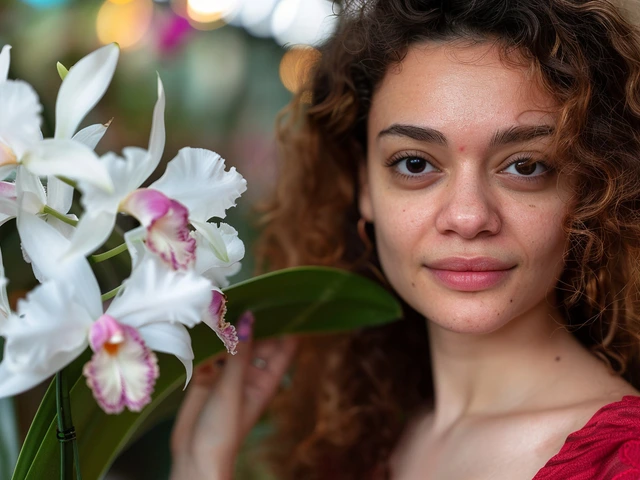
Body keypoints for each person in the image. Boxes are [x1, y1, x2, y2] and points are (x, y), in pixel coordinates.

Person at [169, 0, 640, 478]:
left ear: (589, 187)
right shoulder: (359, 447)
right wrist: (202, 467)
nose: (469, 217)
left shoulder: (622, 462)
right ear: (364, 187)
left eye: (525, 165)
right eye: (415, 164)